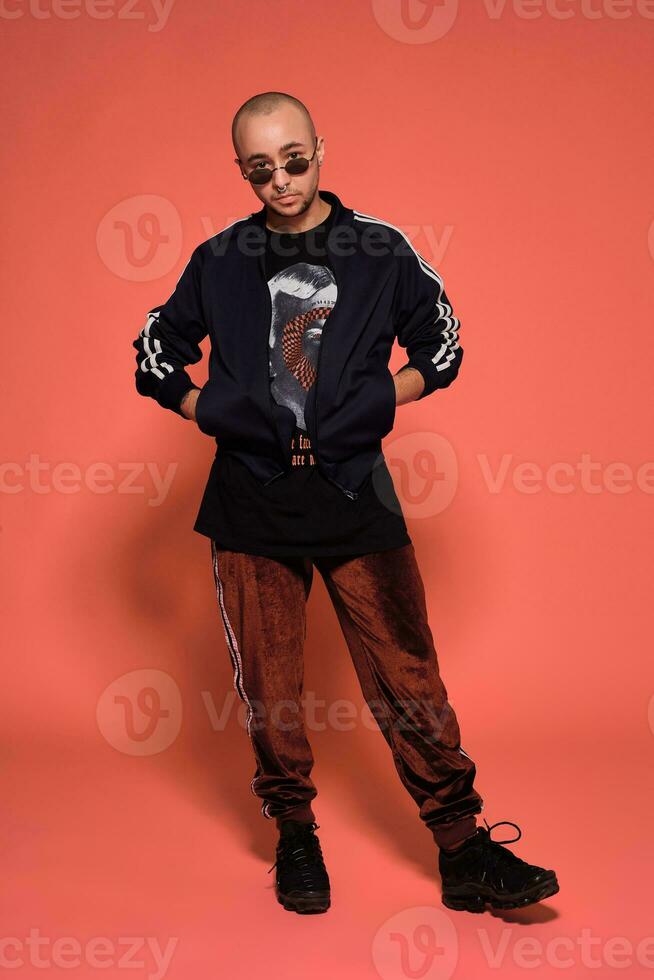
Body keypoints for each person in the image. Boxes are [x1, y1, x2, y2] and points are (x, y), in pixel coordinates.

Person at [132, 91, 559, 916]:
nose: (282, 180)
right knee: (272, 684)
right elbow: (156, 352)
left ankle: (463, 847)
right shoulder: (219, 259)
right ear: (242, 172)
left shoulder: (379, 249)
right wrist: (206, 409)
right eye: (262, 169)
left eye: (295, 158)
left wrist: (379, 402)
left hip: (354, 492)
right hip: (251, 506)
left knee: (407, 671)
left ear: (321, 148)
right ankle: (296, 835)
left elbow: (443, 339)